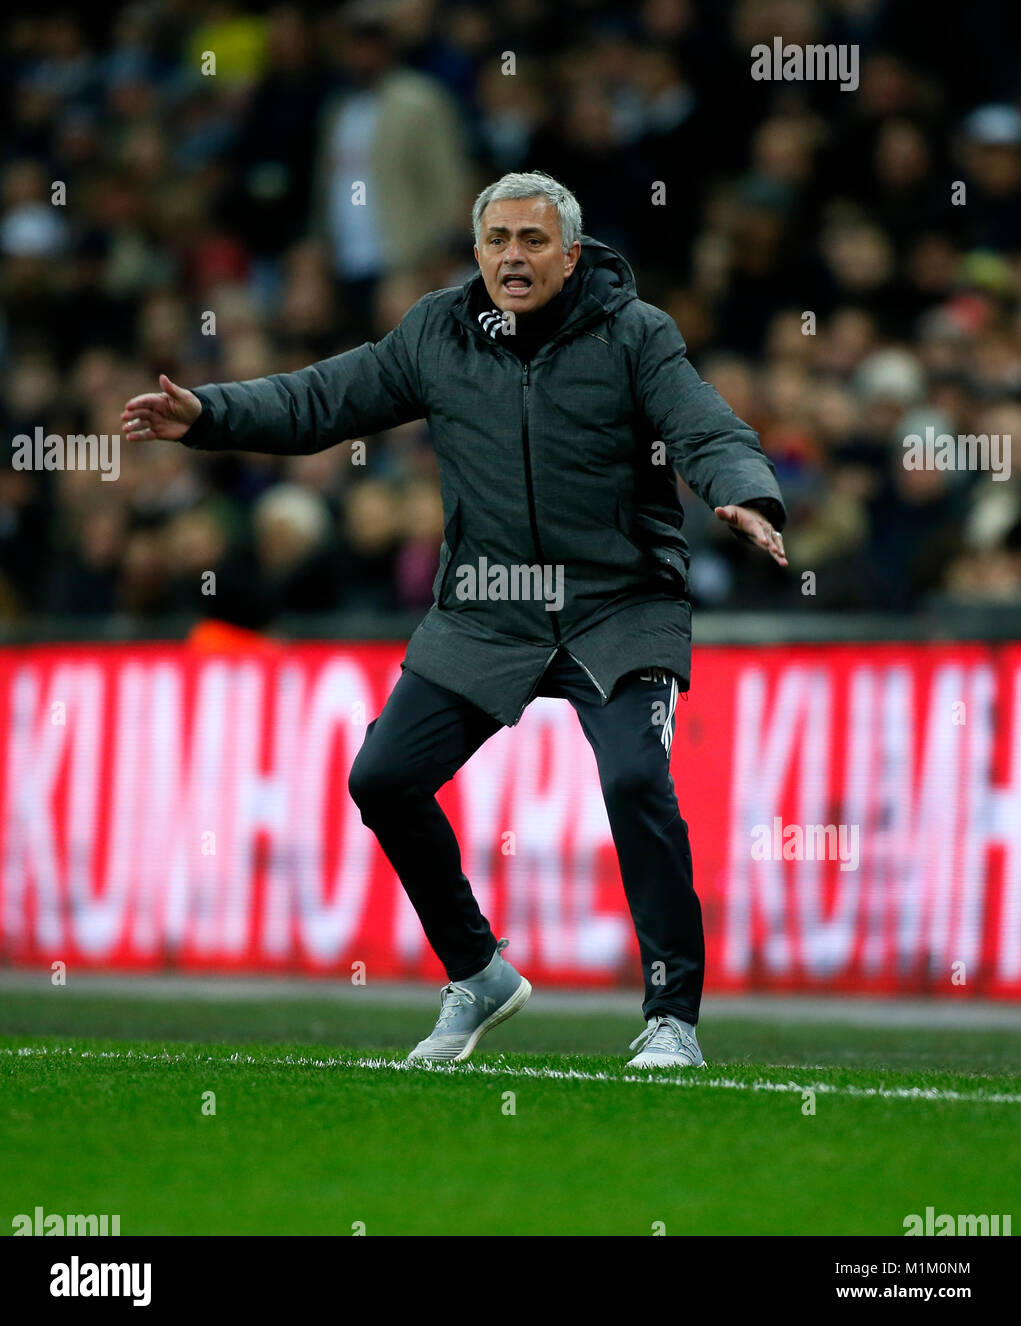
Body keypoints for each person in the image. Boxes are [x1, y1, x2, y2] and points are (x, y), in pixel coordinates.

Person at [121, 171, 787, 1069]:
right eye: (497, 240)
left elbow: (702, 426)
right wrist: (208, 415)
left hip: (617, 600)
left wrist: (745, 494)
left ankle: (671, 1016)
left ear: (572, 254)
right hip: (489, 605)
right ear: (476, 252)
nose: (513, 256)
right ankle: (477, 971)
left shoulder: (636, 334)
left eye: (532, 241)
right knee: (383, 777)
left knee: (635, 780)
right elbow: (324, 399)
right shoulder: (437, 331)